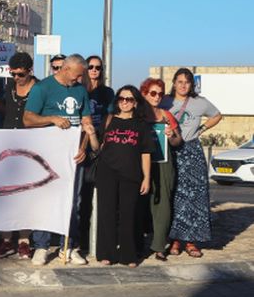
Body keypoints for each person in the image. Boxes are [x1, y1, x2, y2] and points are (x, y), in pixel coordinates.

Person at [23, 54, 93, 266]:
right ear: (66, 68)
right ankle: (41, 246)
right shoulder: (42, 88)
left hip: (73, 156)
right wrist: (51, 119)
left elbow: (87, 122)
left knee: (74, 201)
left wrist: (83, 147)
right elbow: (28, 119)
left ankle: (69, 246)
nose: (79, 79)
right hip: (48, 154)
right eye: (77, 75)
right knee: (46, 198)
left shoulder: (80, 90)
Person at [89, 86, 154, 267]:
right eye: (121, 98)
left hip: (131, 175)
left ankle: (129, 255)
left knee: (129, 215)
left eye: (129, 99)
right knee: (107, 213)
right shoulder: (108, 120)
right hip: (107, 173)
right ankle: (107, 253)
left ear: (136, 103)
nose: (125, 102)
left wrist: (146, 177)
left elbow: (146, 153)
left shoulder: (142, 125)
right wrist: (92, 134)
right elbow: (96, 147)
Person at [163, 68, 222, 258]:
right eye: (179, 81)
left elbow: (217, 115)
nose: (183, 85)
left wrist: (202, 129)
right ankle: (174, 239)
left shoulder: (199, 102)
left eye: (187, 82)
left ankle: (191, 241)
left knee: (195, 197)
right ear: (174, 83)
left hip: (192, 151)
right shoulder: (165, 101)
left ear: (191, 84)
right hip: (171, 151)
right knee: (174, 195)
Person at [0, 51, 37, 260]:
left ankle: (24, 240)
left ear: (30, 71)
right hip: (7, 146)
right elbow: (6, 110)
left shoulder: (39, 88)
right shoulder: (9, 86)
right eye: (13, 74)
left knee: (26, 195)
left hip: (29, 147)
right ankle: (6, 239)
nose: (16, 78)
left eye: (20, 74)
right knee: (6, 194)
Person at [140, 78, 182, 260]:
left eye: (160, 94)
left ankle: (158, 245)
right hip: (139, 163)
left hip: (163, 163)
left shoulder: (166, 115)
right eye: (153, 93)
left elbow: (178, 141)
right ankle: (137, 244)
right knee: (138, 204)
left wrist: (171, 135)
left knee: (163, 205)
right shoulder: (137, 114)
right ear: (144, 94)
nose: (157, 97)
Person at [79, 55, 115, 254]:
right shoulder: (79, 89)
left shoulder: (107, 92)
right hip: (80, 143)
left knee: (101, 195)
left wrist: (103, 138)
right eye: (91, 67)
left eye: (98, 67)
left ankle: (101, 237)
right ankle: (82, 238)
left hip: (99, 142)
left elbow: (109, 116)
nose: (94, 70)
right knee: (82, 196)